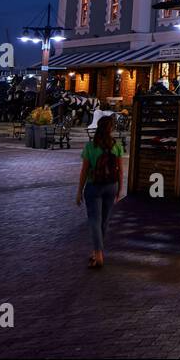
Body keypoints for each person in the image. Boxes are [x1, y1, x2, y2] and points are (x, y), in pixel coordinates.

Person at [76, 114, 125, 269]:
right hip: (111, 186)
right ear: (110, 129)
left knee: (95, 221)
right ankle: (97, 252)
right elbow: (120, 171)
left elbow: (84, 171)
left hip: (94, 186)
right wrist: (119, 189)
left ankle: (98, 254)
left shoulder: (90, 146)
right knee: (104, 221)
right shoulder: (116, 146)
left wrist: (79, 191)